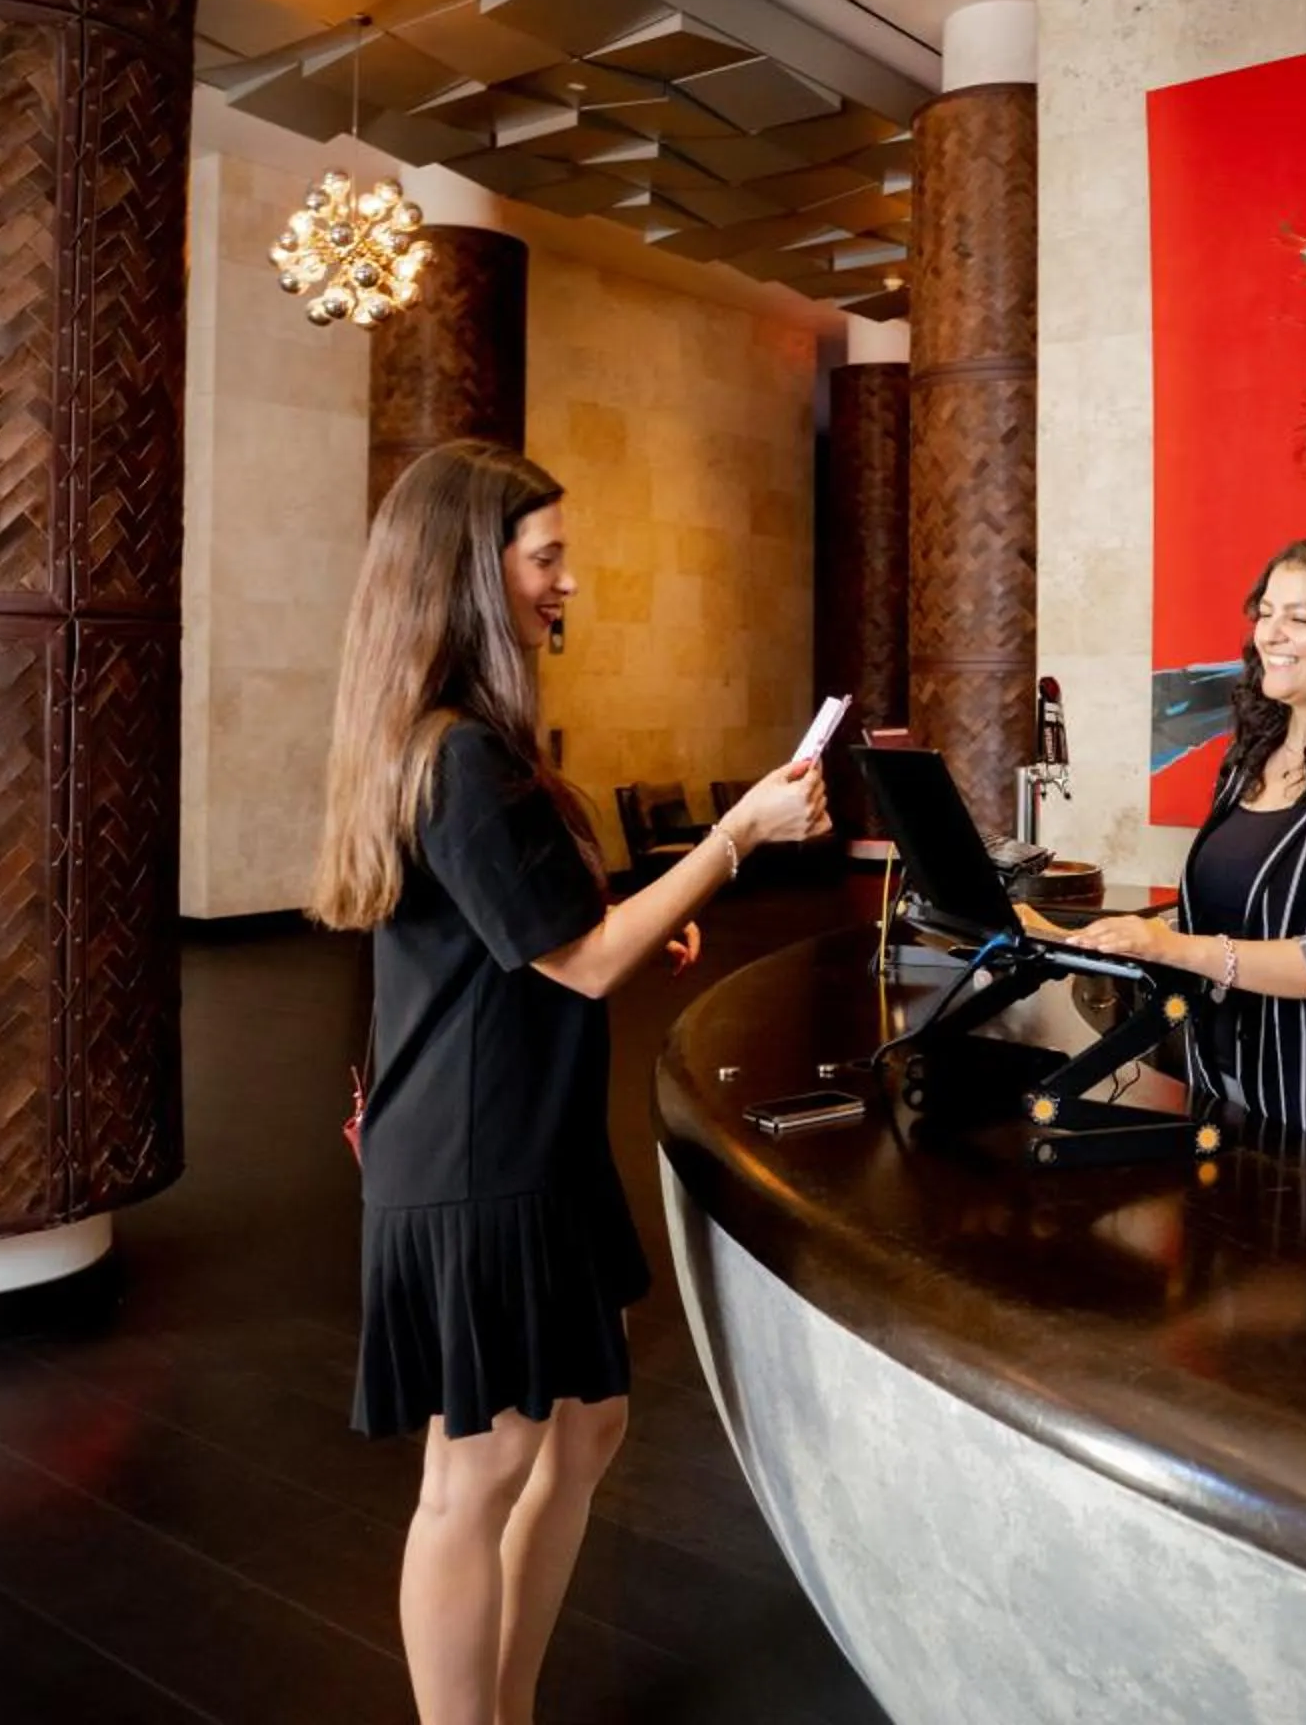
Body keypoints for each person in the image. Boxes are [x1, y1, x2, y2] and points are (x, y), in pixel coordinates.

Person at [310, 439, 829, 1725]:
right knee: (471, 1477)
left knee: (585, 1427)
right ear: (475, 573)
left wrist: (641, 911)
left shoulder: (456, 743)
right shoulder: (463, 758)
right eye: (547, 557)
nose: (569, 582)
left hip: (521, 1145)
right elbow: (585, 963)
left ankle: (511, 1700)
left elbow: (539, 926)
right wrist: (731, 839)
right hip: (480, 1161)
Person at [1065, 534, 1306, 1159]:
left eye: (1301, 618)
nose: (1271, 634)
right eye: (1266, 613)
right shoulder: (1252, 748)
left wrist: (1180, 947)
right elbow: (1233, 913)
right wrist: (1118, 938)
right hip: (1220, 1079)